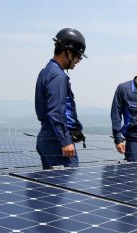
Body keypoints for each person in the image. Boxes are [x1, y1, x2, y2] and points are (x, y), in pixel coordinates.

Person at [35, 28, 87, 169]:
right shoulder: (58, 76)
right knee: (67, 187)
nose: (78, 61)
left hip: (48, 137)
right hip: (56, 142)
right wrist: (65, 141)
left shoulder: (46, 71)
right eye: (78, 56)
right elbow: (56, 111)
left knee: (52, 188)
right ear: (68, 52)